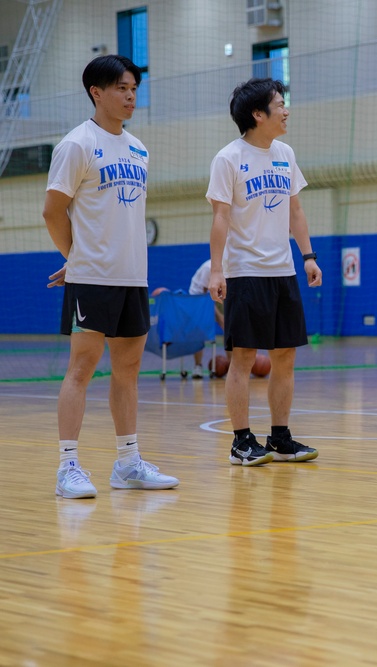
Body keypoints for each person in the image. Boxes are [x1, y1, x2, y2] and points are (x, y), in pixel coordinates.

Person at [43, 55, 180, 498]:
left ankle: (128, 464)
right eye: (121, 88)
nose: (130, 96)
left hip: (133, 277)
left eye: (134, 89)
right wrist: (77, 258)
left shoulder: (139, 149)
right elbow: (52, 211)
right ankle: (67, 467)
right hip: (93, 278)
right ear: (96, 93)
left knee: (128, 371)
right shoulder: (76, 145)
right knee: (81, 368)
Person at [206, 77, 323, 466]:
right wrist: (217, 270)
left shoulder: (285, 153)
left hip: (282, 271)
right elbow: (220, 217)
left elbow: (296, 210)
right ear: (258, 114)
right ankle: (241, 440)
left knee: (285, 355)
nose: (286, 110)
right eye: (279, 104)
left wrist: (308, 256)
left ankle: (280, 438)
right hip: (244, 272)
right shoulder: (228, 158)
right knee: (242, 357)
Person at [187, 258, 225, 378]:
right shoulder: (208, 268)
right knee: (199, 333)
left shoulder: (231, 266)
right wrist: (219, 317)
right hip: (198, 300)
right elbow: (206, 299)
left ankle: (232, 365)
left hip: (218, 297)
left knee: (230, 328)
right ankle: (198, 366)